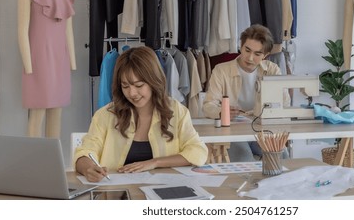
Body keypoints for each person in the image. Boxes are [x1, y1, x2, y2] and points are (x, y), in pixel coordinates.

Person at [74, 47, 208, 182]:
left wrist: (154, 162)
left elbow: (198, 152)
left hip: (164, 194)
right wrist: (88, 168)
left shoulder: (177, 111)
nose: (132, 93)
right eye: (125, 86)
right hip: (117, 194)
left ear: (154, 81)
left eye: (139, 85)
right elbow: (84, 153)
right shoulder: (105, 115)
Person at [203, 24, 289, 162]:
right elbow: (208, 105)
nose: (250, 57)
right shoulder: (221, 70)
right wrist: (221, 112)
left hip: (262, 130)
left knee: (282, 156)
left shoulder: (273, 70)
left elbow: (284, 103)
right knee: (243, 157)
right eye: (247, 50)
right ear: (240, 46)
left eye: (257, 54)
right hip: (233, 130)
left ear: (265, 55)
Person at [17, 0, 77, 138]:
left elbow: (68, 31)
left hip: (60, 60)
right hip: (39, 59)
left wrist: (72, 61)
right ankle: (32, 162)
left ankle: (52, 163)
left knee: (56, 114)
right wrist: (28, 65)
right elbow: (22, 30)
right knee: (37, 114)